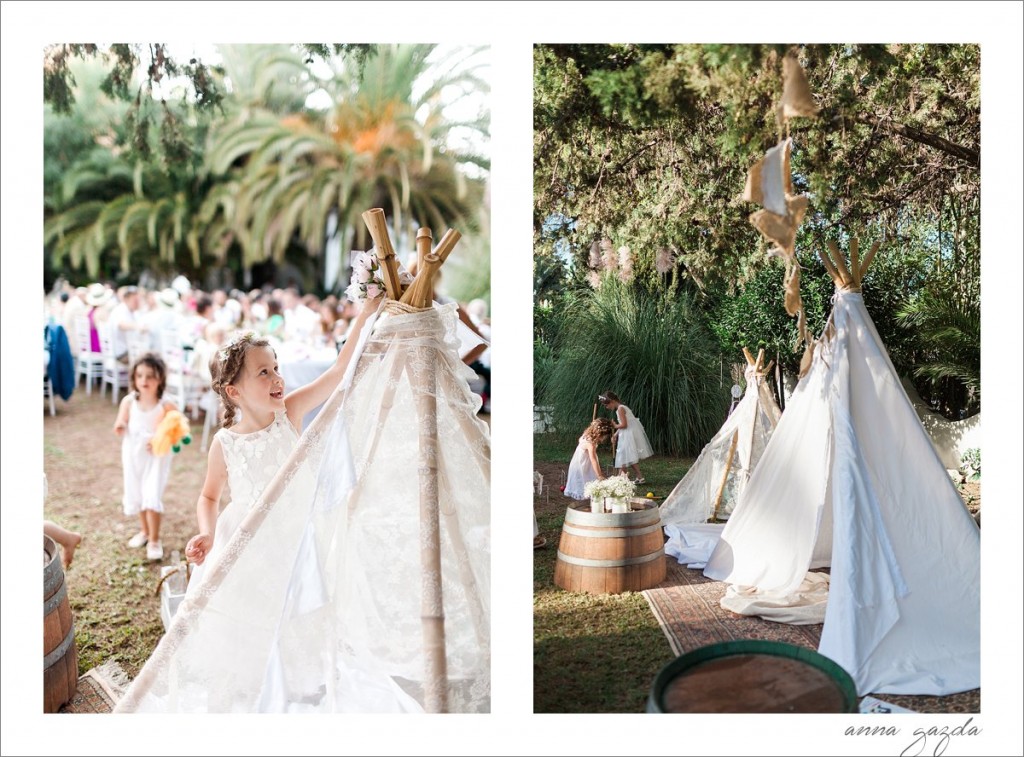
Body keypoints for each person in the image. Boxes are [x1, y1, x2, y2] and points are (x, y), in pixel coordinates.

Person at [184, 296, 381, 587]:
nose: (277, 378)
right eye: (264, 372)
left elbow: (338, 372)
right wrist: (208, 532)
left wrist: (366, 312)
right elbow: (209, 497)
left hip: (299, 530)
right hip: (251, 540)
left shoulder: (290, 413)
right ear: (234, 392)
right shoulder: (225, 443)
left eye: (276, 368)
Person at [114, 354, 178, 561]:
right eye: (140, 375)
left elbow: (177, 427)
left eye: (150, 376)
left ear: (160, 378)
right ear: (133, 377)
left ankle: (155, 539)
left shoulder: (165, 404)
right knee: (138, 492)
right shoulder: (129, 401)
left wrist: (161, 437)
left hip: (156, 455)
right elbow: (122, 421)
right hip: (133, 453)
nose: (144, 381)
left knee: (151, 494)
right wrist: (121, 426)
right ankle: (145, 531)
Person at [600, 391, 654, 483]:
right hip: (627, 433)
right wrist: (615, 435)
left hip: (628, 435)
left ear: (612, 401)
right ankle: (636, 477)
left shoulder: (620, 409)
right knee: (627, 455)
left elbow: (624, 425)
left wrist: (614, 425)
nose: (607, 407)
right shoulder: (621, 408)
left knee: (624, 455)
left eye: (607, 405)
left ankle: (622, 477)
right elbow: (624, 424)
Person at [564, 417, 615, 499]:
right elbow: (593, 459)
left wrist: (611, 424)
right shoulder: (591, 443)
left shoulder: (586, 434)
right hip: (582, 466)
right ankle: (585, 502)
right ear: (600, 434)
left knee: (587, 482)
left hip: (580, 462)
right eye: (605, 436)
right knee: (584, 482)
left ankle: (589, 499)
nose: (605, 438)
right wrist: (599, 475)